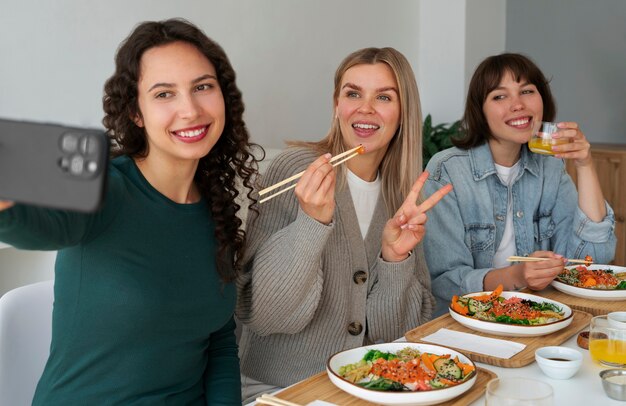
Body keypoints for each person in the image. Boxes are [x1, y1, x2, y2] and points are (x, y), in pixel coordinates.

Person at [0, 18, 260, 405]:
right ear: (136, 112)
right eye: (163, 94)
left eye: (202, 87)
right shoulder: (104, 186)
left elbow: (218, 338)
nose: (190, 109)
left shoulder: (217, 206)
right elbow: (32, 225)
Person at [236, 47, 452, 401]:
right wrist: (311, 223)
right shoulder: (296, 170)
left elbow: (400, 334)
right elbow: (262, 316)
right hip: (281, 389)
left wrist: (394, 260)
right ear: (337, 105)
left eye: (383, 97)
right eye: (353, 93)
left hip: (365, 389)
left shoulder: (401, 196)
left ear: (403, 112)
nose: (365, 108)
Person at [422, 53, 616, 316]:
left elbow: (591, 260)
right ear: (480, 110)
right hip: (467, 321)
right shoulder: (447, 170)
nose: (517, 104)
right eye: (499, 96)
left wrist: (585, 164)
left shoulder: (550, 166)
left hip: (535, 315)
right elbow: (444, 282)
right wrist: (516, 275)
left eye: (526, 91)